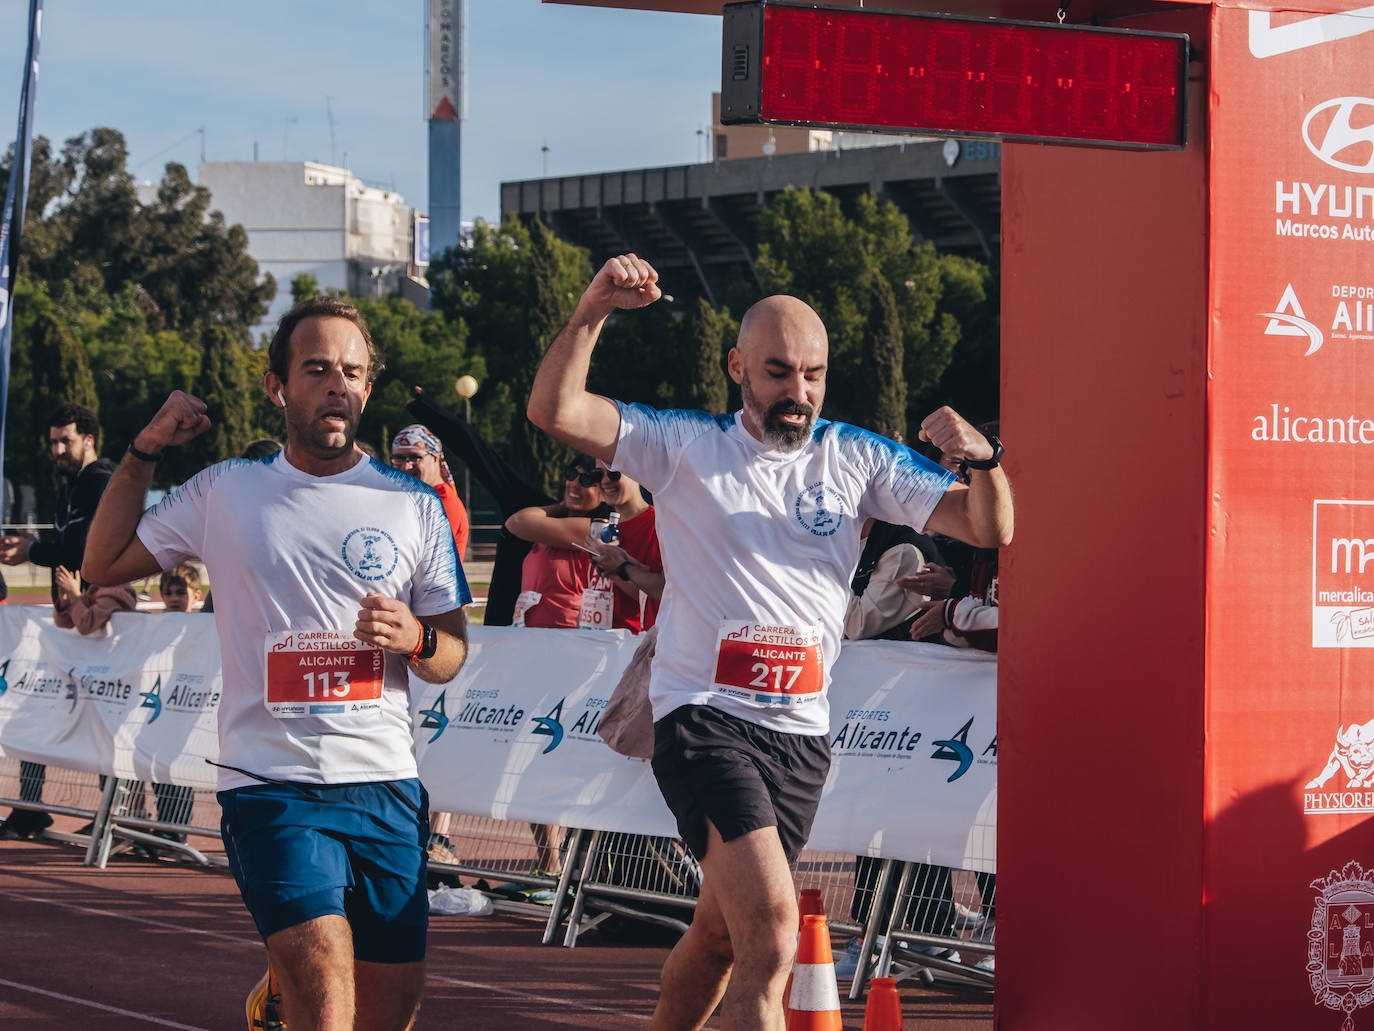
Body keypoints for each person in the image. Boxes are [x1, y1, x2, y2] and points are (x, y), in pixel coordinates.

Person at [526, 254, 1013, 1031]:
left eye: (813, 374)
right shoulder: (684, 443)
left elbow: (990, 527)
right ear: (737, 368)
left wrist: (985, 459)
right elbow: (555, 409)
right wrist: (593, 311)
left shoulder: (856, 457)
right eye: (778, 372)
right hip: (703, 717)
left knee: (719, 935)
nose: (799, 393)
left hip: (801, 735)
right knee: (774, 937)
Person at [82, 296, 472, 1031]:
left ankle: (276, 1002)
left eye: (352, 372)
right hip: (271, 788)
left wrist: (417, 637)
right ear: (277, 386)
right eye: (317, 368)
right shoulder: (226, 490)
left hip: (384, 786)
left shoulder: (413, 504)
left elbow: (449, 653)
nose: (336, 385)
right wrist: (143, 450)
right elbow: (101, 560)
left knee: (388, 1012)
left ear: (367, 388)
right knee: (328, 996)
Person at [0, 403, 116, 840]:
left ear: (89, 439)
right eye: (53, 442)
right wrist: (34, 546)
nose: (58, 450)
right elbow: (66, 544)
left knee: (105, 720)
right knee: (40, 706)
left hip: (100, 623)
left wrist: (33, 551)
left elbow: (85, 552)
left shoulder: (101, 482)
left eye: (65, 440)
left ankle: (116, 815)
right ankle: (30, 807)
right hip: (69, 622)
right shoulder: (73, 485)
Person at [507, 460, 664, 632]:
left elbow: (659, 595)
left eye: (613, 473)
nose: (604, 481)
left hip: (631, 643)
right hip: (592, 642)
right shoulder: (596, 528)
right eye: (598, 475)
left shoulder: (656, 525)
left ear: (637, 472)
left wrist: (617, 570)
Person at [391, 424, 469, 563]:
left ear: (435, 458)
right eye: (399, 458)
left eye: (415, 457)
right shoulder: (418, 498)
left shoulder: (443, 503)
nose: (406, 466)